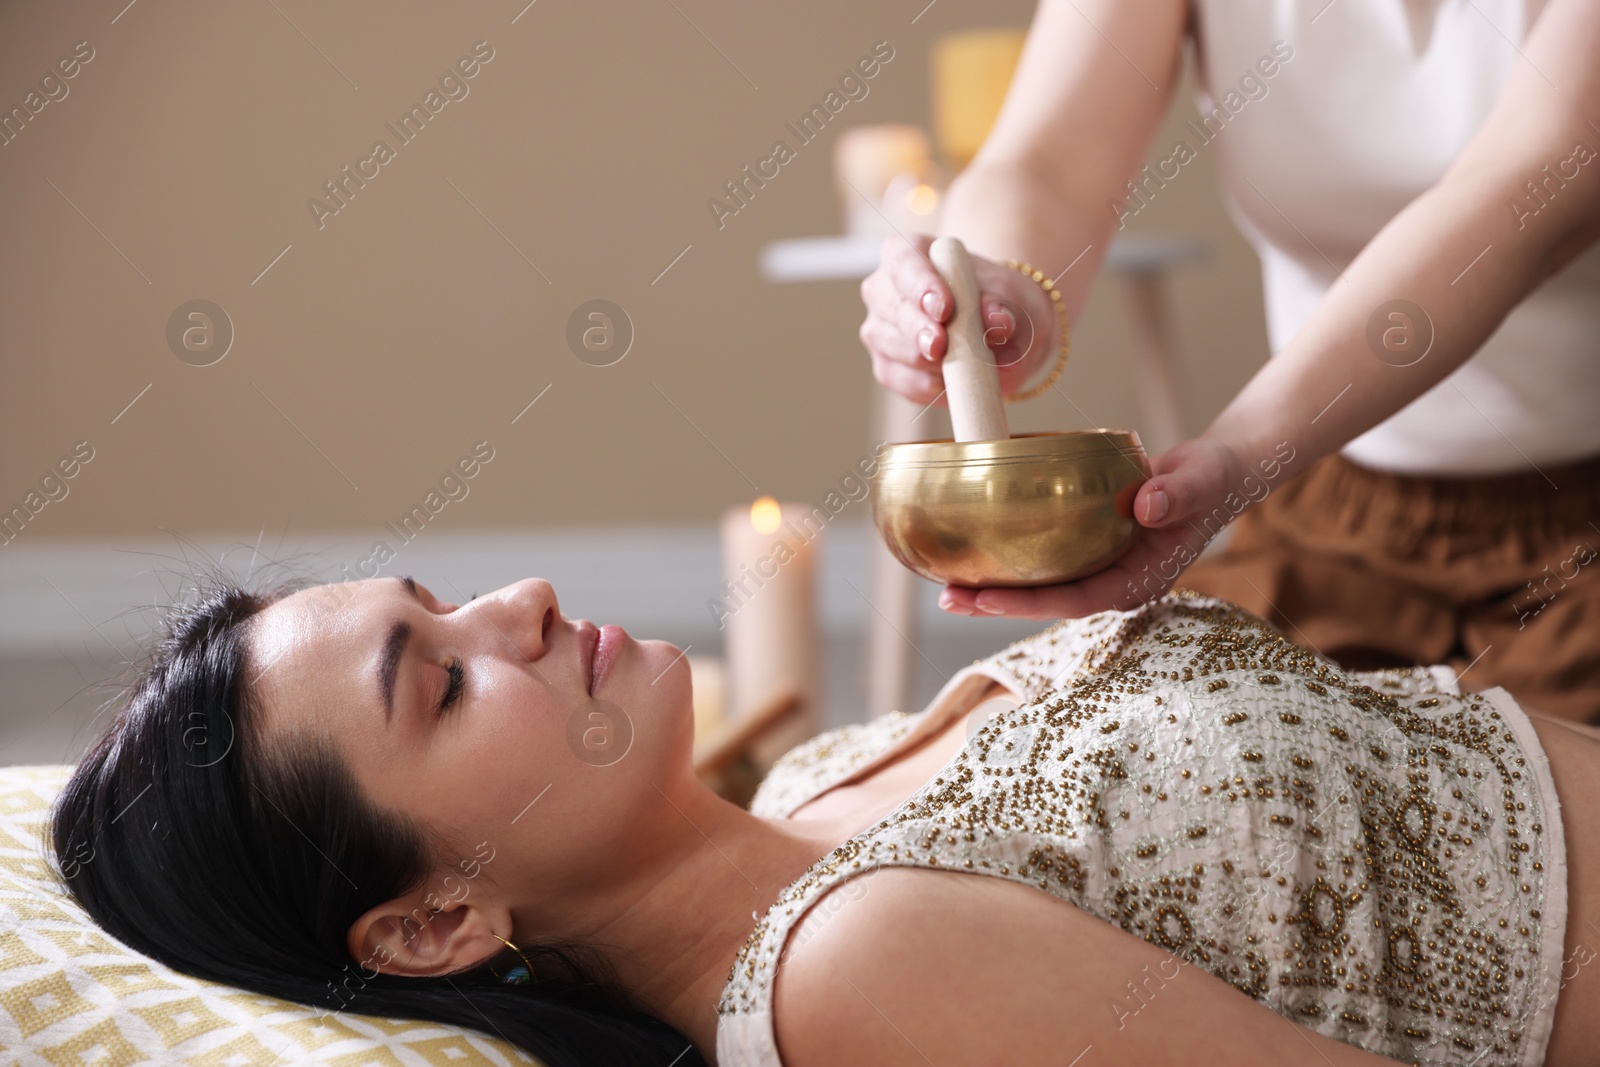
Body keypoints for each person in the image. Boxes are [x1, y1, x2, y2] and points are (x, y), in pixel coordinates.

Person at [50, 574, 1600, 1065]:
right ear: (438, 917)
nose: (513, 603)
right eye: (439, 682)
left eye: (440, 595)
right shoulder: (845, 959)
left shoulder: (807, 787)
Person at [857, 0, 1600, 721]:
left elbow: (1524, 195)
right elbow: (1050, 162)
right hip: (1326, 523)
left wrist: (1242, 451)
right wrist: (1001, 293)